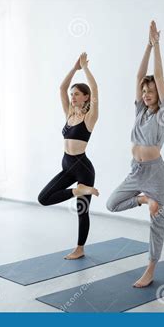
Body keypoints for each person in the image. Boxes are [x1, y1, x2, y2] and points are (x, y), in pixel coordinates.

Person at [106, 21, 164, 287]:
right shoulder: (141, 112)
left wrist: (157, 46)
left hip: (157, 174)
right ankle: (144, 200)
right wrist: (146, 45)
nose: (146, 93)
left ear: (161, 91)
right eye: (144, 91)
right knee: (112, 203)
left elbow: (157, 76)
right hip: (136, 172)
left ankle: (150, 270)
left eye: (150, 90)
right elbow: (139, 77)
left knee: (157, 224)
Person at [38, 52, 99, 260]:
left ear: (86, 97)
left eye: (76, 94)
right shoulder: (69, 114)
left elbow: (97, 91)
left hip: (83, 168)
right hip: (67, 166)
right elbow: (61, 88)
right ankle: (76, 191)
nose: (72, 97)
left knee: (83, 211)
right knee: (43, 198)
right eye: (72, 95)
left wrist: (86, 68)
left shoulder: (89, 118)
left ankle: (80, 248)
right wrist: (75, 69)